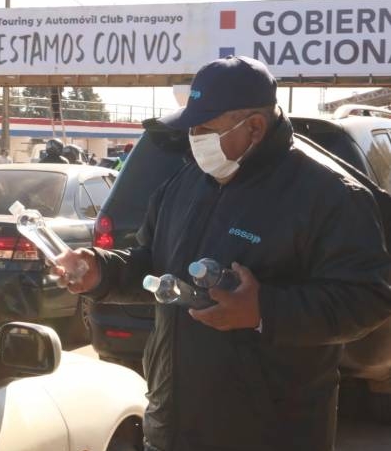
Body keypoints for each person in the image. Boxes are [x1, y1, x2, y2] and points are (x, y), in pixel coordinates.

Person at [54, 55, 391, 451]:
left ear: (254, 127)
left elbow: (368, 297)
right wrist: (102, 272)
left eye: (205, 127)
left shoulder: (328, 194)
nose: (195, 138)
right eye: (192, 126)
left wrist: (263, 310)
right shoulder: (185, 183)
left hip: (270, 434)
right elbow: (152, 262)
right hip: (173, 425)